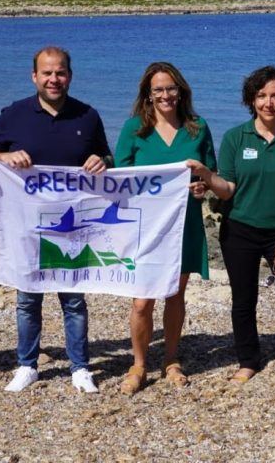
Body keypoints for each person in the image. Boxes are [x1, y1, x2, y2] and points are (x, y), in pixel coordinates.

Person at [189, 66, 275, 400]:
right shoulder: (237, 137)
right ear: (252, 99)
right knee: (243, 300)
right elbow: (228, 189)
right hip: (240, 231)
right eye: (262, 95)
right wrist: (208, 176)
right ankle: (248, 360)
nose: (269, 102)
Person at [0, 46, 112, 393]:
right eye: (47, 73)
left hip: (72, 227)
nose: (54, 79)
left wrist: (102, 160)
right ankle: (27, 364)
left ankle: (80, 366)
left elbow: (107, 157)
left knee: (73, 299)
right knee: (28, 299)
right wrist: (6, 155)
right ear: (34, 76)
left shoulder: (87, 115)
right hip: (26, 225)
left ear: (69, 75)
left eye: (60, 73)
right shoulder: (14, 114)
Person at [114, 62, 216, 394]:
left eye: (171, 88)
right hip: (145, 227)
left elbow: (209, 174)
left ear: (181, 90)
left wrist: (202, 187)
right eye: (158, 89)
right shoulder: (134, 129)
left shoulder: (197, 128)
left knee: (175, 295)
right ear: (148, 94)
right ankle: (139, 364)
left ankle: (171, 359)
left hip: (183, 223)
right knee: (142, 301)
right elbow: (120, 180)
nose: (165, 95)